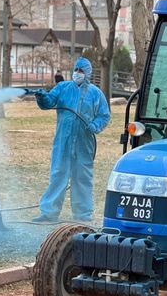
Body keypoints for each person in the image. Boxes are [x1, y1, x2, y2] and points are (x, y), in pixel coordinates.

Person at [32, 57, 110, 222]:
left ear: (87, 73)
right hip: (63, 141)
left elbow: (104, 116)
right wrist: (41, 97)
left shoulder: (96, 93)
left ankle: (83, 214)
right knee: (58, 174)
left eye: (81, 71)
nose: (78, 73)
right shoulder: (63, 88)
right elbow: (49, 102)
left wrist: (95, 126)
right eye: (76, 70)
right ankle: (49, 212)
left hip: (84, 142)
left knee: (82, 176)